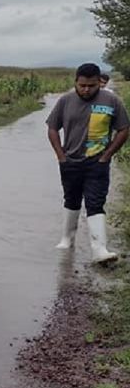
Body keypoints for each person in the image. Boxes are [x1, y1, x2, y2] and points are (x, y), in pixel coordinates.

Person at [47, 62, 129, 263]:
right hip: (70, 161)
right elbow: (52, 128)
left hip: (97, 162)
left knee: (95, 202)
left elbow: (124, 129)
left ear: (99, 82)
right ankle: (67, 239)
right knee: (71, 199)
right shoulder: (65, 101)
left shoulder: (112, 100)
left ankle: (99, 249)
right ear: (76, 82)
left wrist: (106, 155)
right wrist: (60, 156)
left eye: (91, 86)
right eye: (82, 85)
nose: (86, 90)